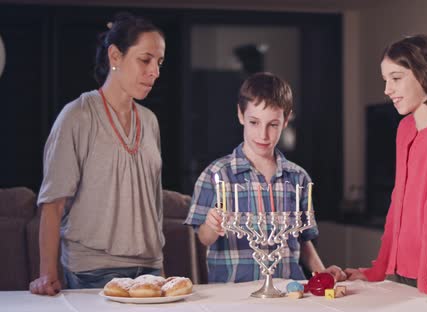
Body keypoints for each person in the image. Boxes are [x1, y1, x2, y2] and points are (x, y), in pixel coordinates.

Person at [29, 12, 166, 295]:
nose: (155, 71)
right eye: (145, 60)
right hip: (93, 270)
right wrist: (47, 275)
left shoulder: (150, 121)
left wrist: (159, 269)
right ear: (115, 56)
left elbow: (153, 205)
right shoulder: (77, 116)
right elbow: (52, 205)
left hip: (151, 269)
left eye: (159, 62)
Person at [340, 34, 427, 294]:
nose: (387, 90)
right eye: (385, 80)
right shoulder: (406, 128)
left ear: (425, 75)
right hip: (402, 271)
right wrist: (379, 269)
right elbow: (398, 201)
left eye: (396, 78)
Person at [185, 72, 341, 283]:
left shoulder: (298, 178)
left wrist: (322, 274)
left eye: (273, 124)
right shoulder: (216, 174)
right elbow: (202, 238)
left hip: (287, 292)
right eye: (254, 122)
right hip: (234, 295)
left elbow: (302, 239)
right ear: (241, 115)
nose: (263, 135)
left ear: (286, 120)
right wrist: (211, 226)